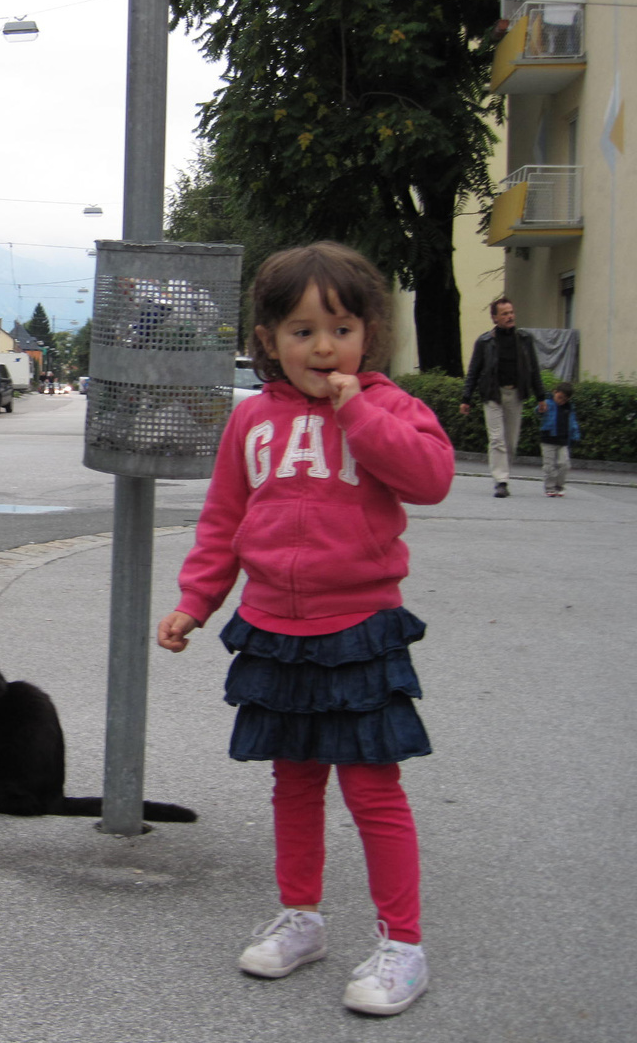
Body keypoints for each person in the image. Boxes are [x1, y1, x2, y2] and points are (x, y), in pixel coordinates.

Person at [157, 241, 454, 1017]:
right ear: (267, 341)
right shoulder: (250, 421)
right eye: (301, 331)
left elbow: (430, 479)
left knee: (372, 789)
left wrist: (356, 409)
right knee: (293, 782)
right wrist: (198, 601)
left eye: (342, 328)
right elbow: (224, 523)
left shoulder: (391, 408)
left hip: (358, 630)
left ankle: (403, 946)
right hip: (272, 631)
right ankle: (303, 918)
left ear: (369, 333)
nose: (324, 347)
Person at [459, 297, 548, 498]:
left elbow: (534, 370)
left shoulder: (525, 339)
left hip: (516, 393)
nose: (510, 317)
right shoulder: (485, 341)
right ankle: (501, 480)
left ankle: (504, 474)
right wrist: (466, 398)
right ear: (495, 318)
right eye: (505, 313)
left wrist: (541, 397)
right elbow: (474, 370)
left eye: (511, 312)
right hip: (493, 394)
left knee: (510, 441)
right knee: (497, 438)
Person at [539, 381, 580, 497]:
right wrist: (540, 409)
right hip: (547, 439)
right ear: (554, 392)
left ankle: (559, 485)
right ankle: (550, 487)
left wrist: (575, 435)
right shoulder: (548, 403)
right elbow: (539, 410)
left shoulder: (569, 408)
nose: (561, 401)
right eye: (559, 397)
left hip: (563, 441)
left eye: (564, 399)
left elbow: (573, 423)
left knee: (564, 464)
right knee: (549, 465)